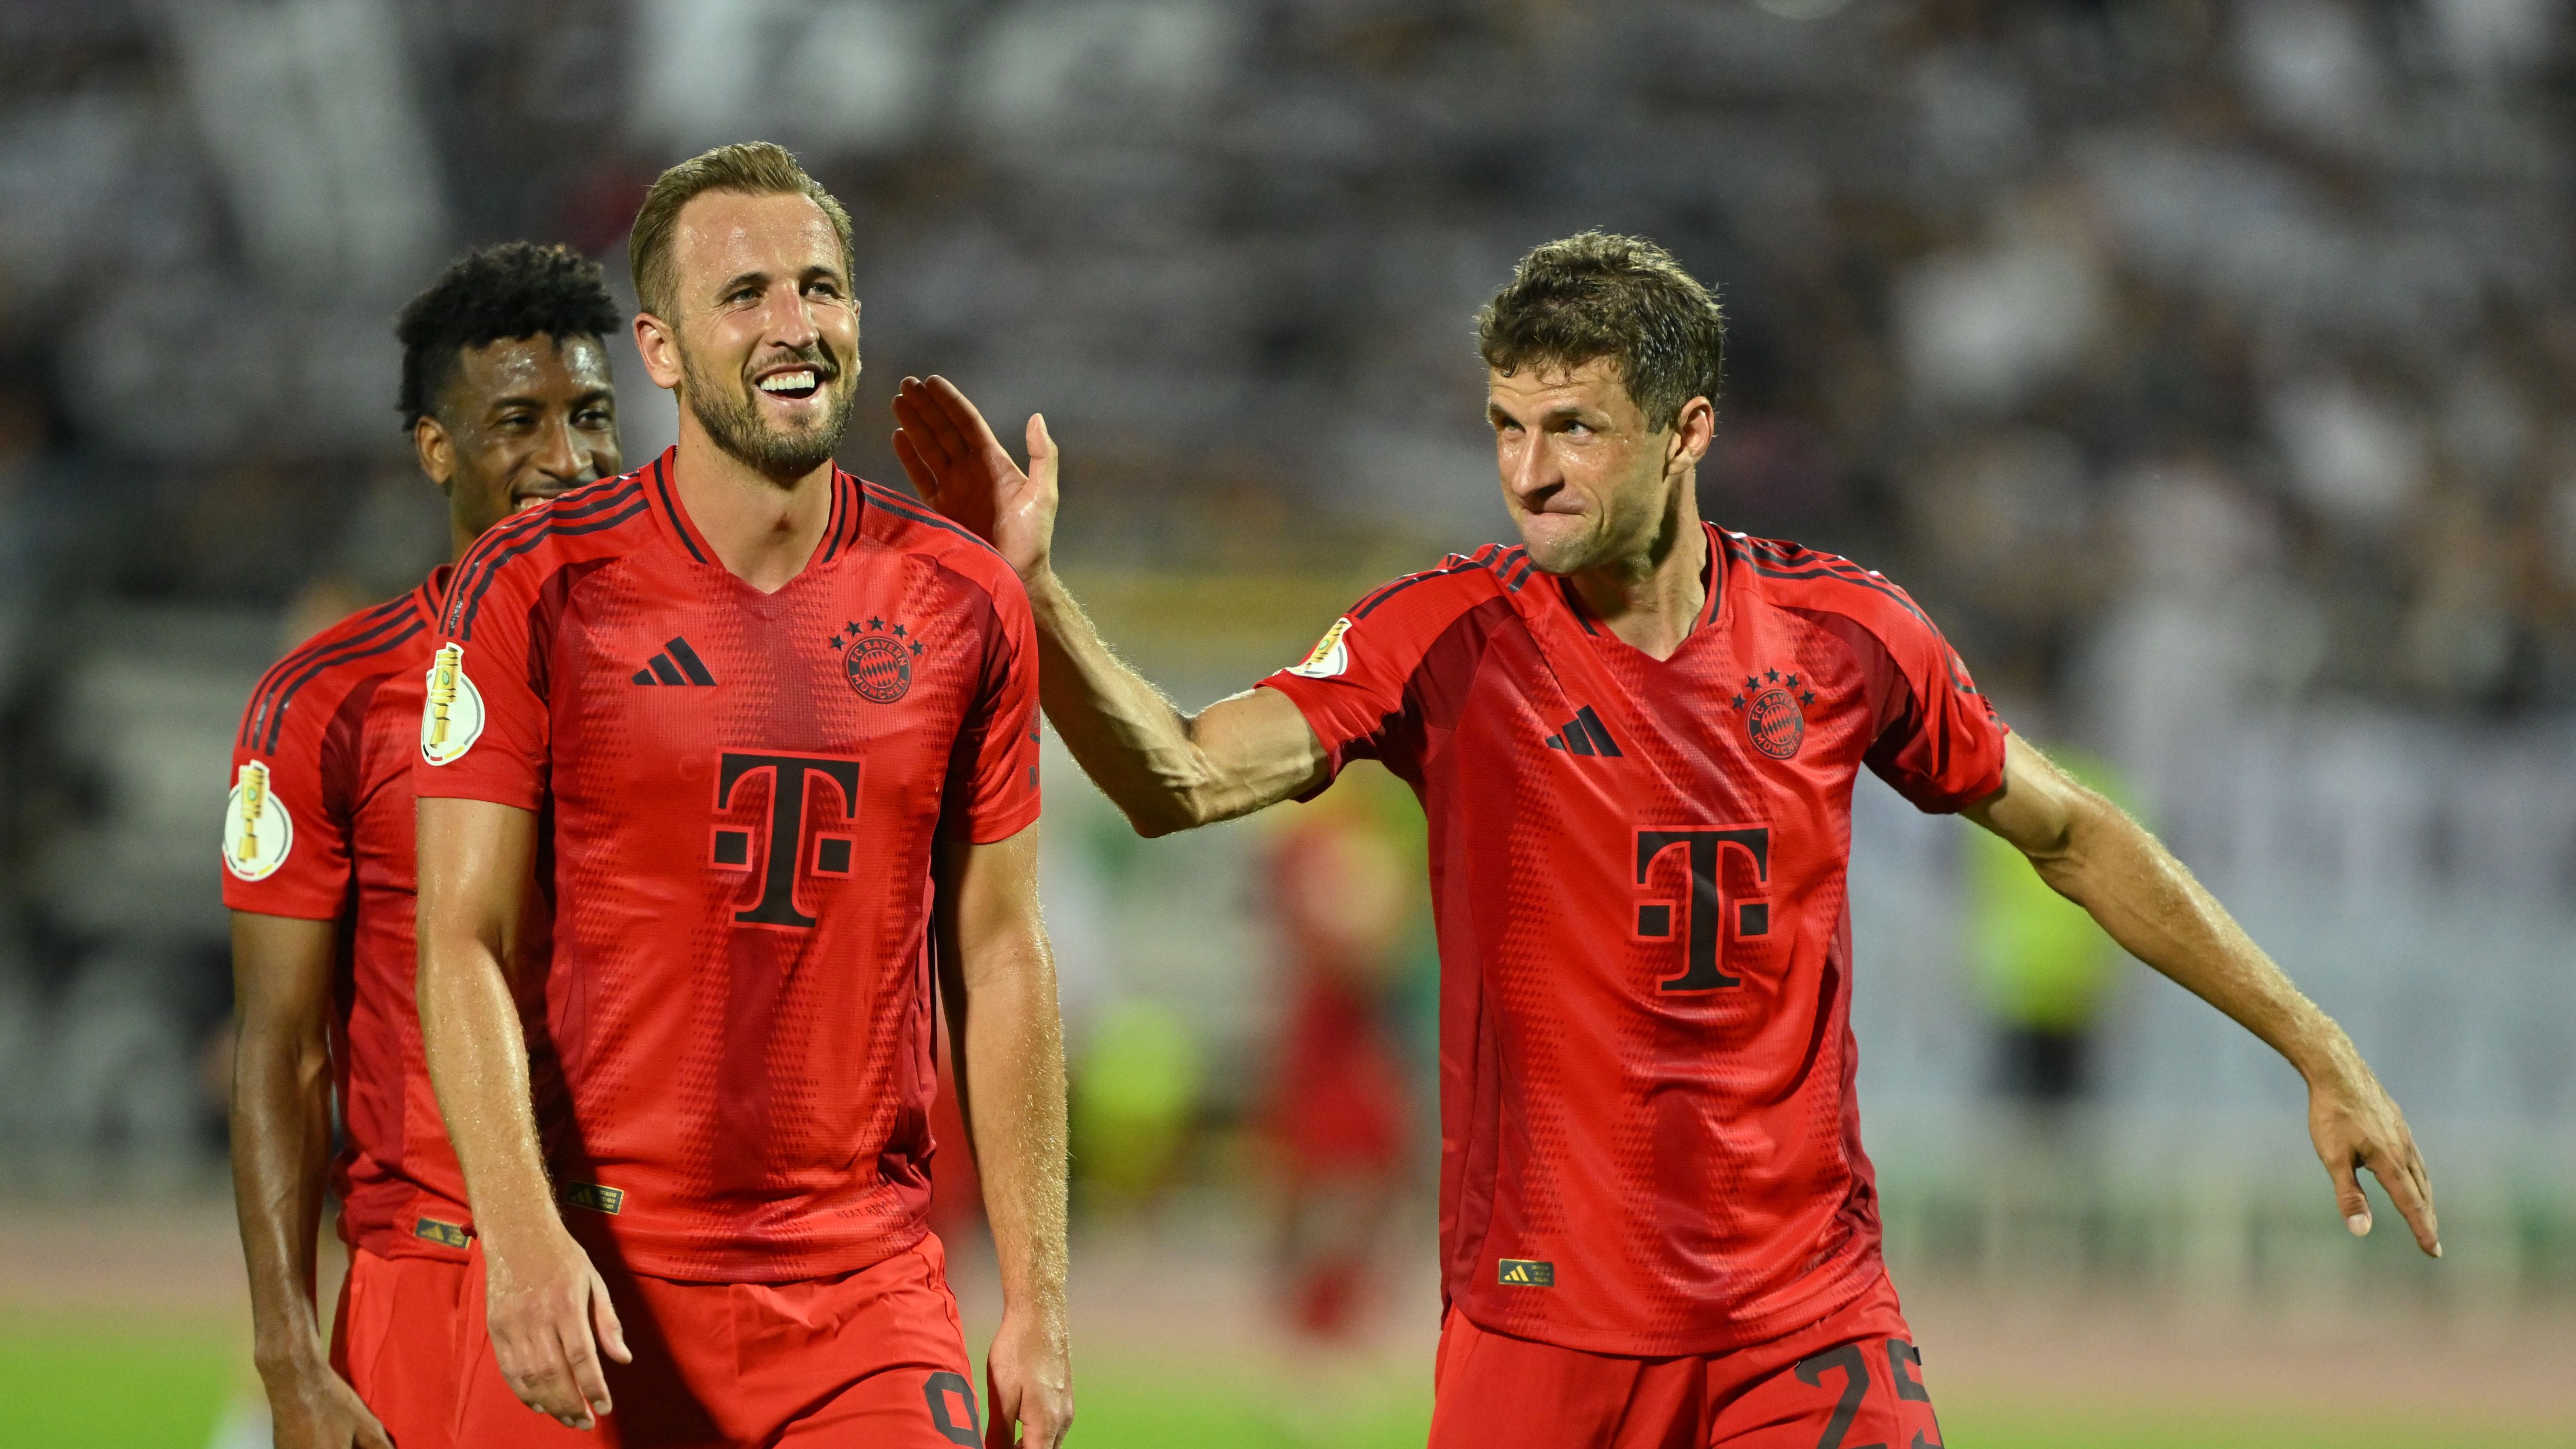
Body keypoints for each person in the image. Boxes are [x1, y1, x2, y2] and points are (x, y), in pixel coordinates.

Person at [891, 231, 2440, 1448]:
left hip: (1803, 1320)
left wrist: (2310, 1040)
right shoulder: (1442, 639)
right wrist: (1031, 594)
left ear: (1687, 428)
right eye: (1506, 424)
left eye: (1575, 426)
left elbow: (2071, 832)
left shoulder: (1847, 639)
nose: (1530, 469)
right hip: (1543, 1328)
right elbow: (1174, 778)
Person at [414, 142, 1071, 1449]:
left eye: (821, 289)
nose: (795, 325)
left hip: (863, 1291)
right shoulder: (538, 585)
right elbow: (464, 939)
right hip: (602, 1276)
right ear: (658, 349)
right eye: (748, 293)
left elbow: (1000, 952)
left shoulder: (964, 599)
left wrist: (1039, 1296)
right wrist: (524, 1233)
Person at [224, 240, 624, 1449]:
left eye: (593, 414)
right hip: (434, 1286)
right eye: (519, 420)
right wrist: (290, 1357)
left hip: (665, 1273)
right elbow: (282, 1050)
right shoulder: (328, 703)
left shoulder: (702, 677)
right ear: (437, 448)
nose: (569, 458)